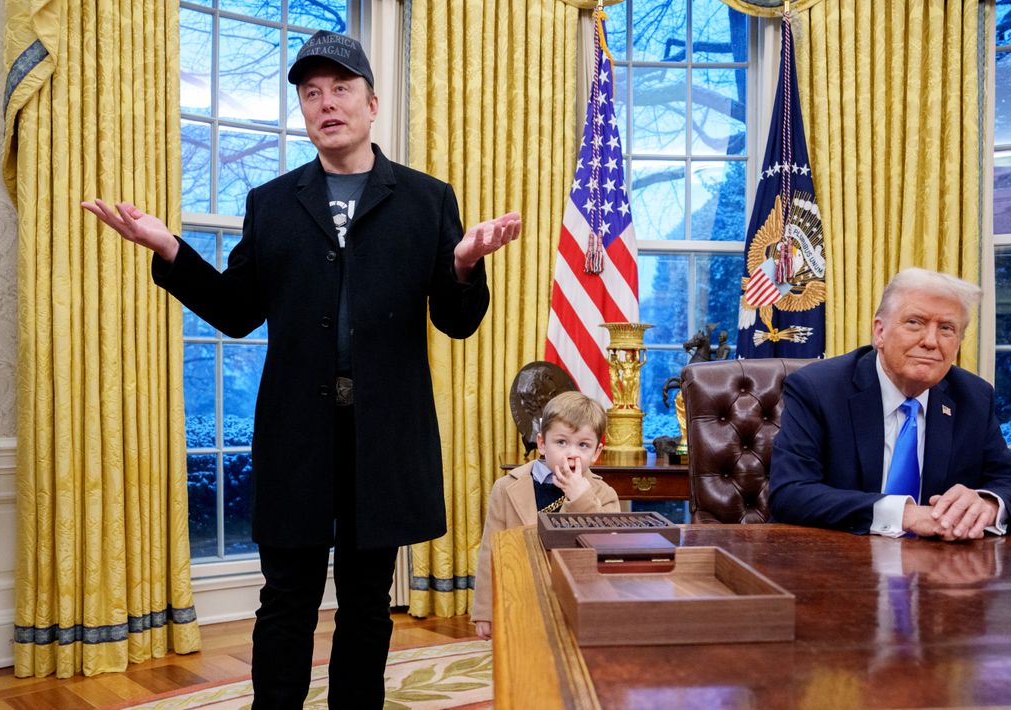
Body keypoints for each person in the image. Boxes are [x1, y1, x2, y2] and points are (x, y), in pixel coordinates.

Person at [82, 31, 521, 709]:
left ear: (372, 104)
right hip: (297, 434)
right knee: (285, 599)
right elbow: (235, 311)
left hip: (385, 436)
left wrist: (464, 264)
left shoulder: (428, 201)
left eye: (340, 89)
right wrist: (170, 247)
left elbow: (456, 321)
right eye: (311, 93)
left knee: (368, 604)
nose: (325, 104)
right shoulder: (273, 202)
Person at [769, 268, 1011, 539]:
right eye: (915, 323)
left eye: (946, 328)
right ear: (880, 332)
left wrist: (986, 505)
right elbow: (790, 492)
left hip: (938, 568)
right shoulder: (818, 388)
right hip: (834, 561)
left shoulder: (974, 397)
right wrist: (904, 514)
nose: (931, 341)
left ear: (958, 344)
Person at [471, 391, 620, 640]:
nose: (571, 453)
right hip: (520, 600)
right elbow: (490, 553)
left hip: (575, 601)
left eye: (583, 445)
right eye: (561, 442)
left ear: (596, 452)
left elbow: (607, 549)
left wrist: (581, 497)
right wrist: (485, 610)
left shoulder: (604, 494)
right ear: (541, 443)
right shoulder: (506, 488)